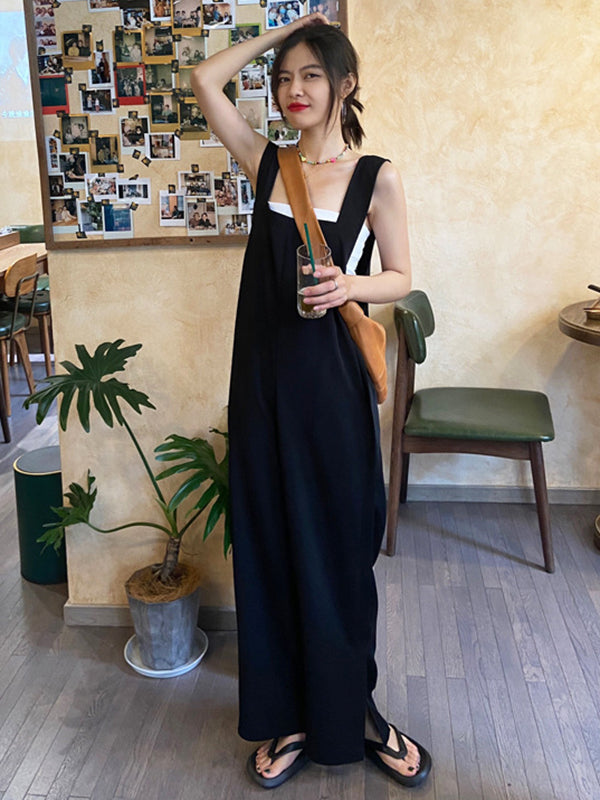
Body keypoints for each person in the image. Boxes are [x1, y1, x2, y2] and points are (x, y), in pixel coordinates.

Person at [191, 13, 431, 791]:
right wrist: (286, 29)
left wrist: (349, 284)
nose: (293, 89)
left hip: (330, 393)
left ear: (345, 84)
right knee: (270, 552)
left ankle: (358, 713)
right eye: (284, 78)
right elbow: (203, 79)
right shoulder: (266, 162)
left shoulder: (375, 176)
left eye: (312, 75)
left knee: (338, 554)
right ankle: (290, 716)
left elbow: (402, 275)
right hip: (262, 392)